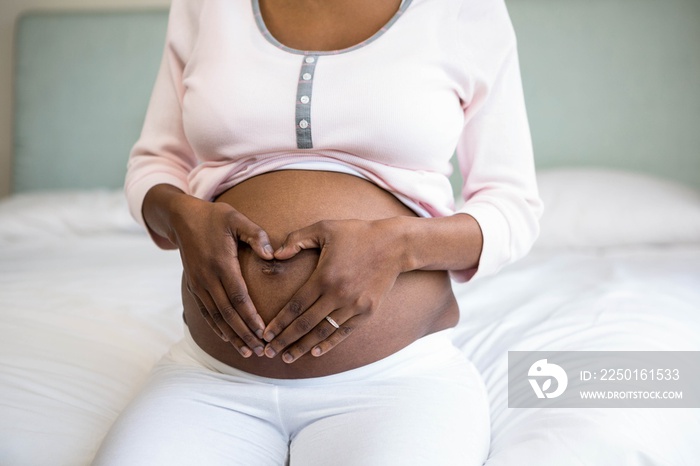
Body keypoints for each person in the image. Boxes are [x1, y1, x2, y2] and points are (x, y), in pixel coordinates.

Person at [93, 0, 542, 464]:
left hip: (397, 380)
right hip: (209, 376)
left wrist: (398, 246)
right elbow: (155, 162)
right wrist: (183, 217)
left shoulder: (465, 10)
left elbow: (513, 205)